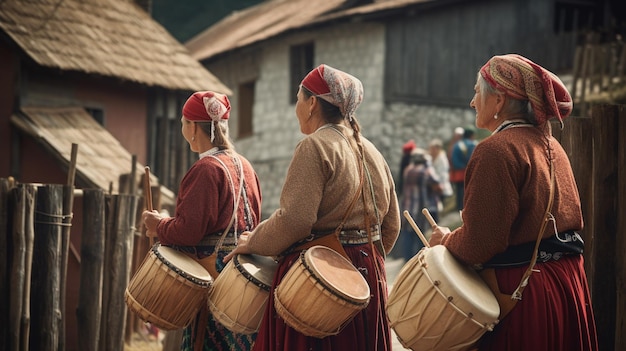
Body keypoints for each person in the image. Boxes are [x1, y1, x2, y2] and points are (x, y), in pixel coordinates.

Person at [224, 64, 400, 351]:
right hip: (368, 275)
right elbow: (391, 227)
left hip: (319, 279)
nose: (297, 107)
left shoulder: (315, 146)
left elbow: (295, 221)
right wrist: (363, 260)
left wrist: (253, 241)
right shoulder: (373, 151)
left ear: (312, 104)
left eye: (298, 98)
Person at [429, 54, 598, 350]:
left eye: (477, 92)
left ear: (499, 101)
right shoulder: (551, 145)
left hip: (525, 290)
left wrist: (446, 240)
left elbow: (480, 244)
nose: (472, 102)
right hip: (566, 282)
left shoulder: (495, 150)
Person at [141, 91, 263, 351]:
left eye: (184, 123)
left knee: (205, 343)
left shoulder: (206, 169)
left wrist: (159, 225)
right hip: (242, 275)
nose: (183, 128)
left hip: (211, 275)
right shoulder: (245, 166)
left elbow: (189, 232)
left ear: (193, 128)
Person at [399, 147, 441, 262]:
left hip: (407, 206)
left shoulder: (407, 170)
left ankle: (407, 260)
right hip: (420, 207)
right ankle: (419, 260)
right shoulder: (425, 171)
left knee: (407, 234)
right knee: (419, 234)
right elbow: (436, 182)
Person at [449, 126, 477, 211]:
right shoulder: (474, 144)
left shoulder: (456, 145)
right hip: (471, 171)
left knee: (459, 190)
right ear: (472, 135)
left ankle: (459, 206)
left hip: (459, 172)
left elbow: (454, 160)